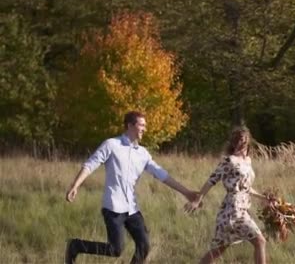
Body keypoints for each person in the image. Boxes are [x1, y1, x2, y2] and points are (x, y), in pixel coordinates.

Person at [64, 111, 198, 264]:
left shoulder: (143, 154)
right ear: (130, 125)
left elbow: (162, 175)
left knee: (144, 246)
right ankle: (75, 246)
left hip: (132, 208)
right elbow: (90, 164)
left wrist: (186, 192)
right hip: (113, 207)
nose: (144, 129)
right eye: (141, 125)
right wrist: (75, 185)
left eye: (144, 126)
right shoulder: (112, 145)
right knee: (116, 249)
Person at [185, 126, 271, 264]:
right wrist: (197, 200)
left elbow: (246, 188)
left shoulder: (248, 161)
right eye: (239, 140)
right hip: (232, 210)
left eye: (245, 140)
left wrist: (263, 198)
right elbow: (211, 180)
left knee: (219, 249)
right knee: (259, 241)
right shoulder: (229, 161)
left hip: (242, 208)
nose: (242, 143)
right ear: (234, 142)